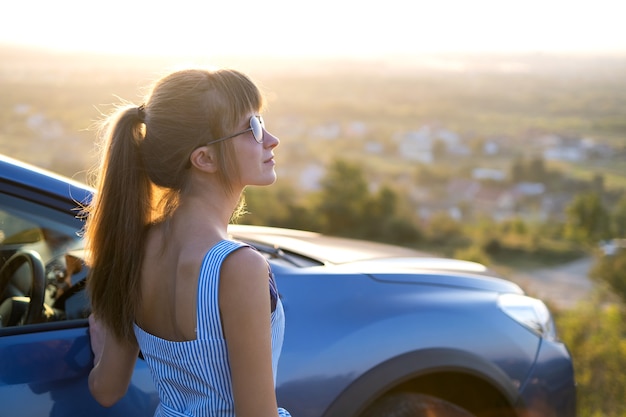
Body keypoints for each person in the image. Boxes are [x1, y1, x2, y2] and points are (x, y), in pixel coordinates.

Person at [83, 68, 291, 417]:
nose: (271, 139)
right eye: (252, 127)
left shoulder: (133, 248)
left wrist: (104, 344)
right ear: (204, 158)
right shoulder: (239, 267)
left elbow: (105, 390)